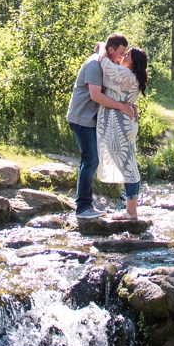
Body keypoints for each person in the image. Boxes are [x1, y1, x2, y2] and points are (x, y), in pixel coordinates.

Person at [65, 32, 141, 216]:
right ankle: (83, 207)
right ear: (111, 50)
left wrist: (131, 104)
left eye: (125, 55)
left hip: (93, 119)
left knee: (95, 160)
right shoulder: (94, 64)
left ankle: (86, 205)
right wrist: (122, 107)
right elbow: (96, 95)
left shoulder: (108, 64)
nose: (122, 57)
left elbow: (119, 88)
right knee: (91, 159)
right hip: (82, 117)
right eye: (121, 53)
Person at [96, 44, 147, 219]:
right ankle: (131, 210)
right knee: (130, 165)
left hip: (119, 126)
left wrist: (103, 46)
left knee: (128, 168)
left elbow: (104, 63)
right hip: (125, 124)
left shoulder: (125, 74)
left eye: (128, 55)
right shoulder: (133, 76)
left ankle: (131, 212)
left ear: (133, 63)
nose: (124, 56)